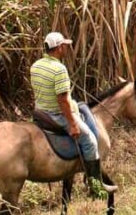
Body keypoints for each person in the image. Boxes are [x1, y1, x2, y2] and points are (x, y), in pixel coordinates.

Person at [30, 32, 117, 198]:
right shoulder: (59, 69)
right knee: (90, 140)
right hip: (56, 114)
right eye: (65, 46)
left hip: (41, 111)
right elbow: (62, 100)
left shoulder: (36, 65)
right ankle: (95, 185)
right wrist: (73, 124)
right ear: (59, 47)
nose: (66, 49)